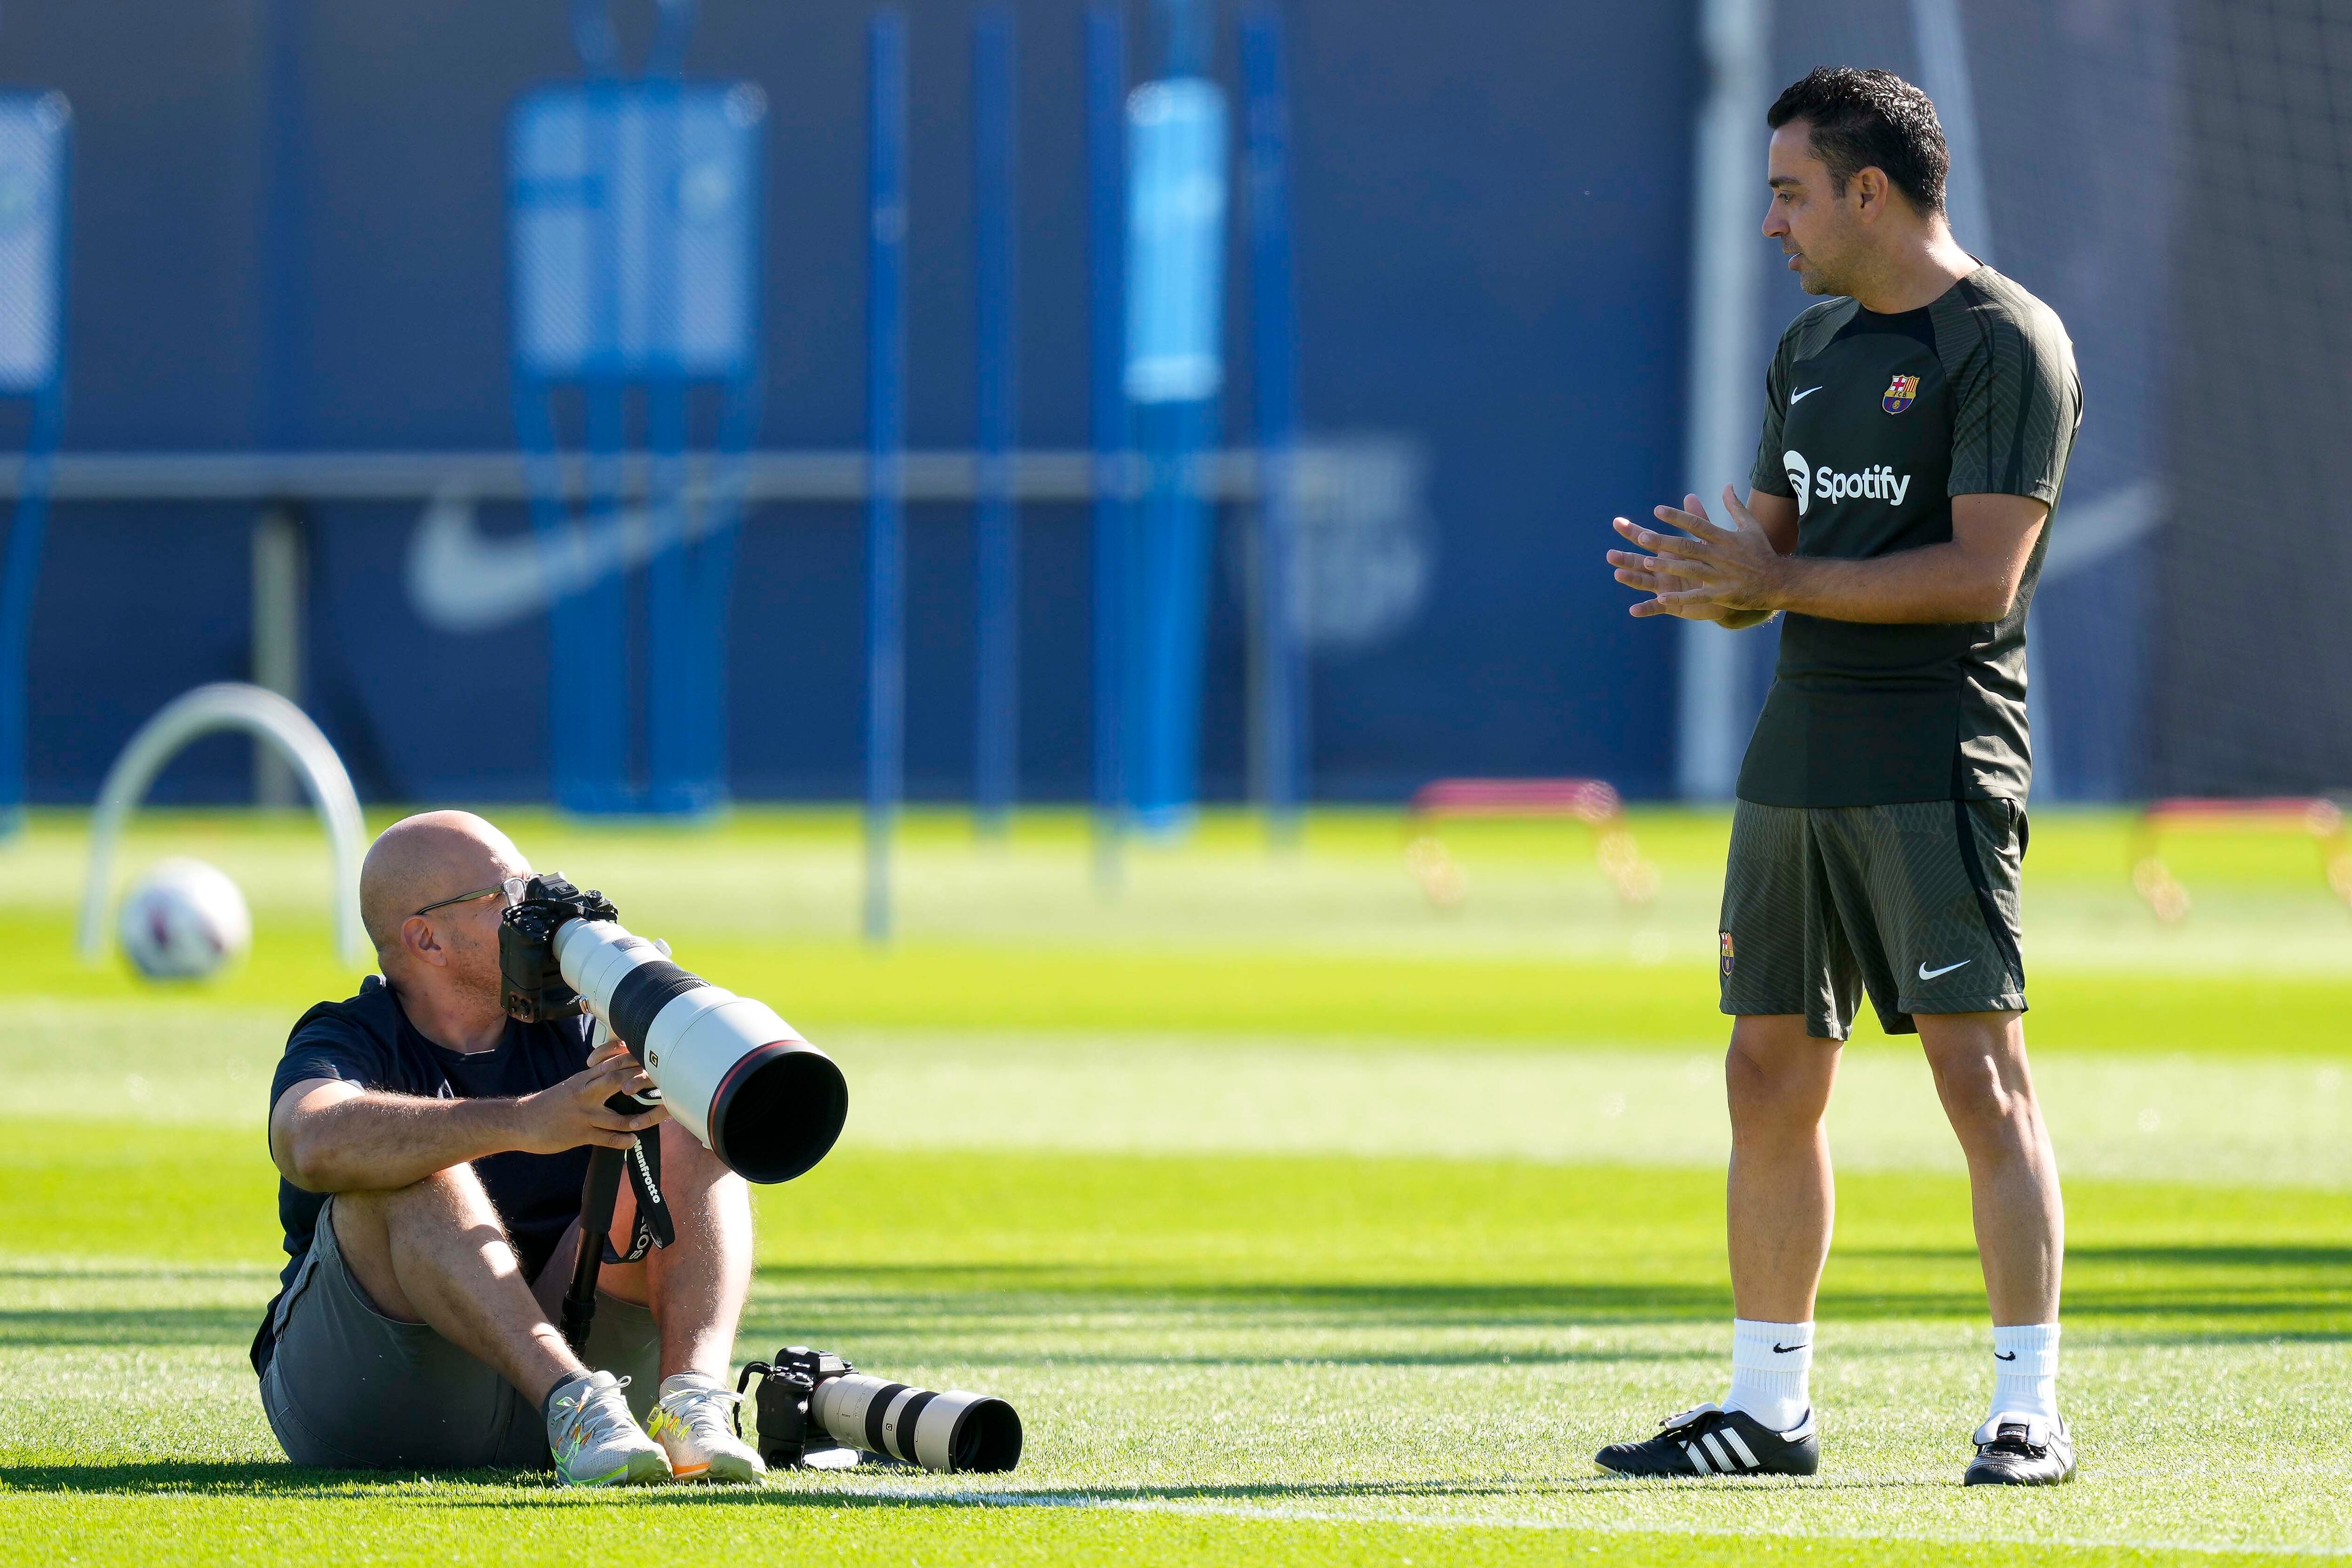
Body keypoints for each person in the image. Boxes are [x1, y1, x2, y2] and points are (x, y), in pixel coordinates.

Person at [1597, 67, 2082, 1486]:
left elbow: (1986, 574)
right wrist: (1719, 582)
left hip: (1936, 758)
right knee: (1763, 1072)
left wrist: (1782, 573)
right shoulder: (1808, 347)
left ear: (1871, 191)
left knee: (1979, 1080)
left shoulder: (2006, 342)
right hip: (1796, 757)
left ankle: (2026, 1407)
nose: (1770, 222)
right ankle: (1768, 1405)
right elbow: (1774, 554)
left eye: (1790, 190)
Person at [251, 810, 765, 1487]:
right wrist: (526, 1120)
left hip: (588, 1377)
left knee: (680, 1117)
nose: (541, 910)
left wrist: (659, 1049)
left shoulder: (573, 1019)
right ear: (426, 938)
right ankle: (571, 1399)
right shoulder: (353, 1033)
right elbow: (308, 1139)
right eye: (508, 895)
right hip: (383, 1390)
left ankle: (692, 1406)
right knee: (414, 1167)